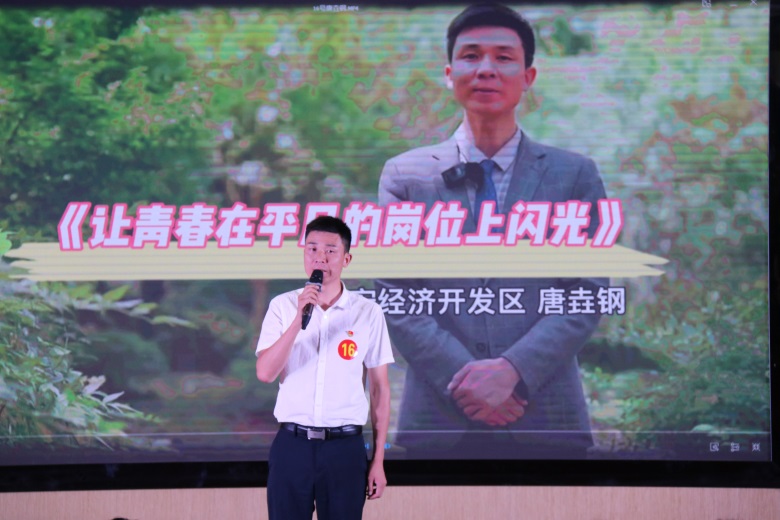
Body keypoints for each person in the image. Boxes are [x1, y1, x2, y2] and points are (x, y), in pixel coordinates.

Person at [376, 3, 607, 459]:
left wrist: (513, 371)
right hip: (440, 417)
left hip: (547, 416)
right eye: (471, 56)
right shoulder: (405, 174)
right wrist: (468, 379)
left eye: (504, 57)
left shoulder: (575, 174)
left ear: (528, 76)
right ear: (449, 74)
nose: (486, 69)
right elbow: (394, 295)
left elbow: (589, 290)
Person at [256, 215, 394, 520]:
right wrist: (299, 318)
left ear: (346, 258)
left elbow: (380, 389)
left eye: (330, 250)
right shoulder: (283, 306)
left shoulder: (368, 312)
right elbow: (265, 373)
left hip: (344, 449)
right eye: (312, 249)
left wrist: (378, 461)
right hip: (292, 446)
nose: (320, 257)